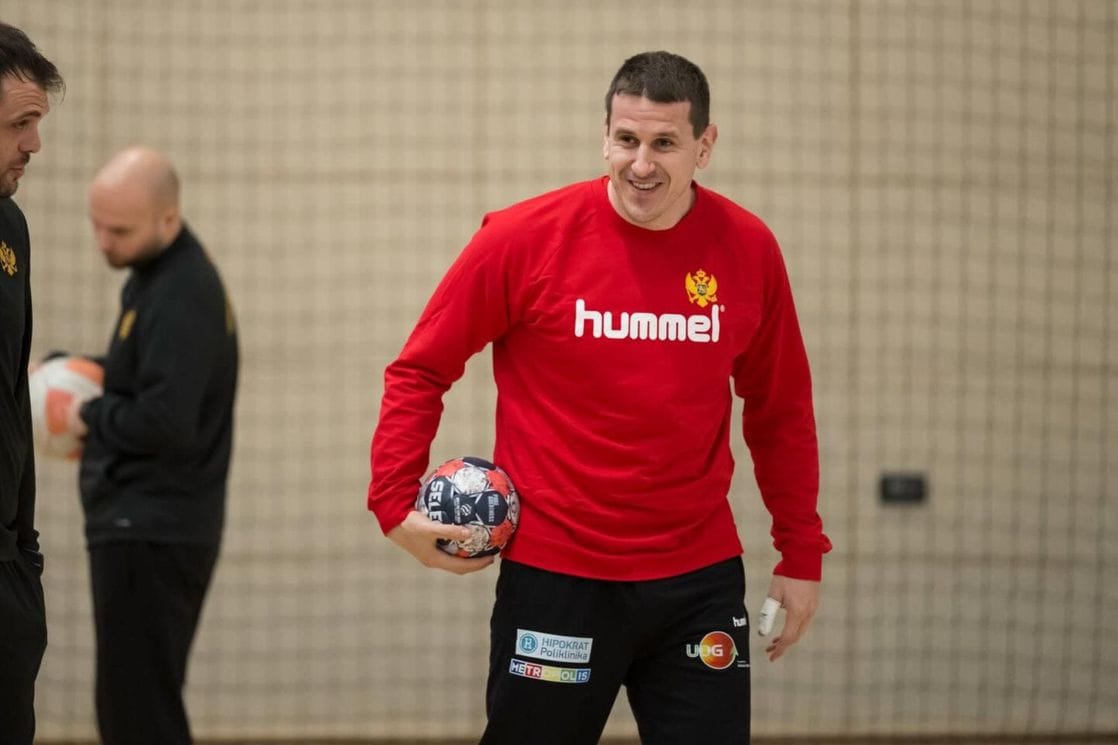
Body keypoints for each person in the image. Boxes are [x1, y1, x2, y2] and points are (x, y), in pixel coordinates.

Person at [368, 51, 831, 744]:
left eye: (665, 143)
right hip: (557, 578)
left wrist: (800, 552)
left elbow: (781, 408)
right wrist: (391, 505)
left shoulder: (750, 248)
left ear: (705, 145)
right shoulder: (521, 239)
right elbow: (419, 369)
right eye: (626, 139)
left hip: (697, 581)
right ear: (604, 137)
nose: (641, 164)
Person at [68, 146, 239, 745]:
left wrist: (85, 412)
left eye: (119, 230)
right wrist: (74, 369)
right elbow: (142, 378)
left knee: (138, 715)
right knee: (132, 708)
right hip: (145, 524)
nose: (103, 242)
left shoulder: (181, 290)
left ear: (168, 218)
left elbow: (166, 420)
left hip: (152, 528)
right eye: (97, 225)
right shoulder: (154, 277)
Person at [0, 21, 63, 745]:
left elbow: (14, 396)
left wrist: (25, 554)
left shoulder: (10, 229)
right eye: (20, 124)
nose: (34, 144)